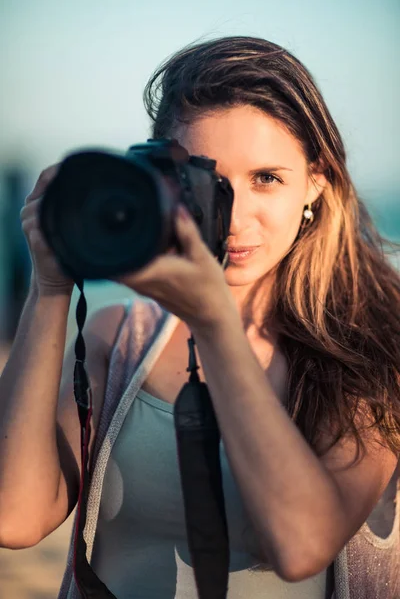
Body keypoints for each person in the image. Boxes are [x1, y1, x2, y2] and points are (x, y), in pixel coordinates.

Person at [0, 35, 399, 599]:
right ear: (164, 182)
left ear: (316, 182)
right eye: (210, 182)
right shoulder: (121, 342)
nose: (233, 219)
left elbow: (303, 543)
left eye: (267, 178)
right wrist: (49, 286)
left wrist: (212, 324)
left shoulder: (372, 346)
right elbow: (13, 518)